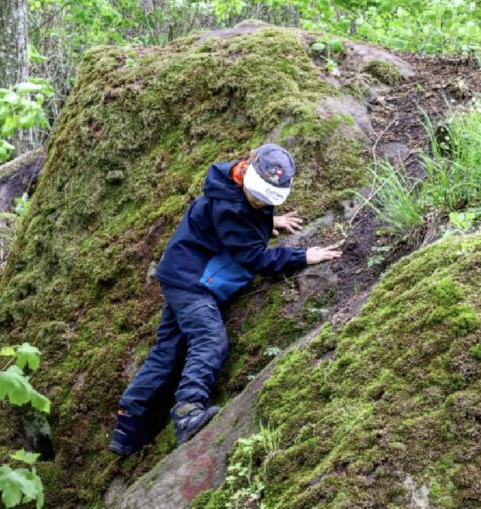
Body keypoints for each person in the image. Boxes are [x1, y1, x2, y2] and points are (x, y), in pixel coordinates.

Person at [109, 144, 342, 456]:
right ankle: (187, 410)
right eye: (258, 196)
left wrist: (270, 221)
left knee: (168, 351)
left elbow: (238, 217)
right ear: (246, 170)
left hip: (181, 274)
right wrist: (302, 257)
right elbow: (254, 259)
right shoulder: (230, 207)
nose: (260, 203)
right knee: (210, 338)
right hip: (193, 283)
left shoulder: (231, 188)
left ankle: (129, 427)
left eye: (267, 200)